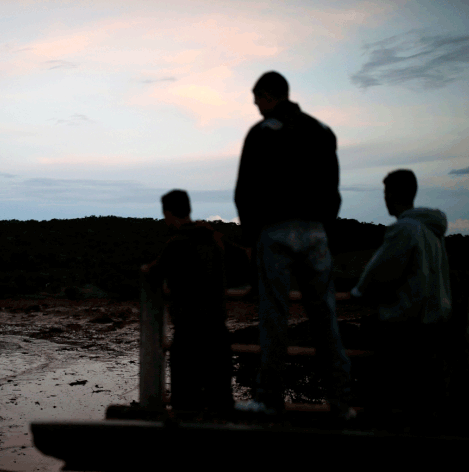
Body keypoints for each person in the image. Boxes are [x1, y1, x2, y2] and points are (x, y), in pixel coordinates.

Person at [233, 71, 354, 419]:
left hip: (275, 231)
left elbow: (246, 191)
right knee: (325, 318)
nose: (255, 105)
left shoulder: (260, 133)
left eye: (256, 98)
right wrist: (323, 229)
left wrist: (250, 238)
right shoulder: (322, 130)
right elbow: (333, 188)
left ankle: (269, 400)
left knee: (275, 317)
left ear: (269, 95)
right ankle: (342, 404)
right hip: (316, 232)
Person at [351, 169, 451, 430]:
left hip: (404, 329)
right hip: (431, 329)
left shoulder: (405, 230)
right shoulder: (433, 232)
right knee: (420, 408)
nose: (384, 199)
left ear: (392, 194)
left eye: (385, 193)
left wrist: (358, 294)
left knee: (381, 402)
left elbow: (377, 274)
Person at [141, 190, 233, 415]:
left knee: (185, 400)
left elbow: (154, 272)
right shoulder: (214, 240)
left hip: (189, 331)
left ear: (168, 213)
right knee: (220, 398)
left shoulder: (176, 244)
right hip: (218, 330)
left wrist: (145, 269)